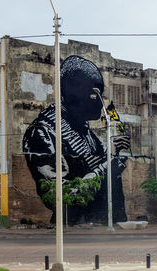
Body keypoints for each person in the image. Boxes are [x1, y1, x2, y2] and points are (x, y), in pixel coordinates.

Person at [22, 55, 130, 224]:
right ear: (74, 93)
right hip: (71, 223)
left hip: (94, 223)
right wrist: (108, 164)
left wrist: (112, 156)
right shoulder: (42, 133)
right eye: (94, 95)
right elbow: (61, 196)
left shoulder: (86, 132)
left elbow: (97, 174)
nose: (101, 104)